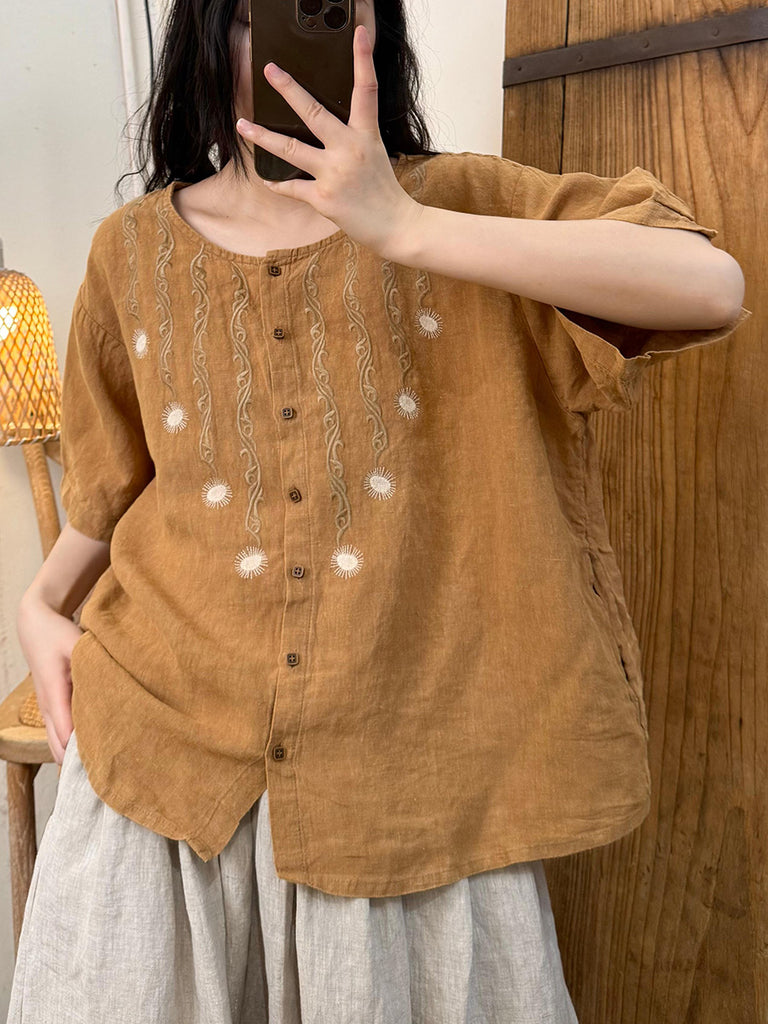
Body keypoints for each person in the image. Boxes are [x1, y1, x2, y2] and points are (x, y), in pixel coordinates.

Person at [8, 0, 750, 1021]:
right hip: (163, 779)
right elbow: (115, 491)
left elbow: (711, 286)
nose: (278, 52)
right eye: (250, 16)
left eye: (324, 7)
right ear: (204, 38)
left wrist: (404, 226)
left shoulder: (463, 204)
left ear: (374, 32)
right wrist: (39, 604)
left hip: (412, 792)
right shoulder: (129, 253)